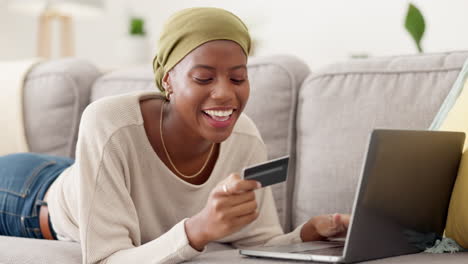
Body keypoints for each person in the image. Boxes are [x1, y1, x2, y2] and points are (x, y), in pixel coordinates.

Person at [0, 7, 350, 264]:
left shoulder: (244, 136)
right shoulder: (107, 121)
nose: (226, 94)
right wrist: (198, 230)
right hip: (26, 197)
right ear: (168, 79)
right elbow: (106, 259)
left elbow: (259, 240)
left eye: (238, 78)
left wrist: (309, 234)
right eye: (204, 78)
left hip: (82, 176)